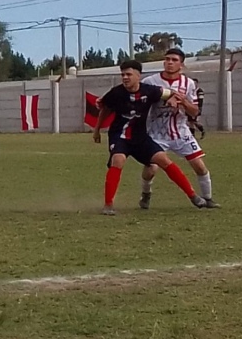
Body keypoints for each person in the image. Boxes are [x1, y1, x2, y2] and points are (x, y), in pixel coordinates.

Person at [93, 60, 208, 215]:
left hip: (140, 138)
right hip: (120, 136)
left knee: (164, 160)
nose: (125, 78)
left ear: (138, 75)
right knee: (118, 160)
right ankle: (108, 205)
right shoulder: (116, 93)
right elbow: (104, 108)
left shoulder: (150, 91)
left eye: (128, 74)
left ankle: (193, 196)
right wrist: (97, 130)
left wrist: (173, 98)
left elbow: (171, 93)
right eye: (123, 75)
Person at [139, 49, 219, 209]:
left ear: (181, 64)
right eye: (167, 59)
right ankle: (146, 195)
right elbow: (142, 104)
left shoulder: (188, 84)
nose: (169, 62)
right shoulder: (149, 81)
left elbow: (195, 111)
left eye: (174, 60)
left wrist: (182, 101)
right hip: (157, 133)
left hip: (181, 133)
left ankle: (208, 199)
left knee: (200, 167)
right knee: (151, 169)